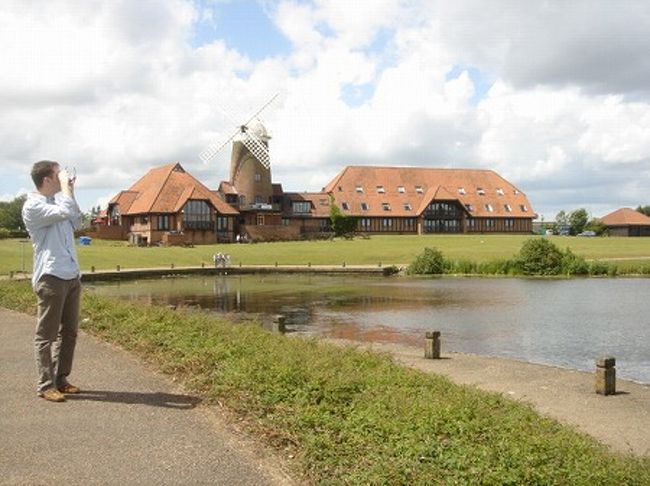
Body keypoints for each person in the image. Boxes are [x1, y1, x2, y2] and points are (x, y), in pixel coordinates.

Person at [22, 161, 82, 402]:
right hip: (51, 277)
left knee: (70, 332)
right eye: (59, 175)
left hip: (71, 275)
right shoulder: (32, 206)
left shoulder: (59, 202)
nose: (63, 178)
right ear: (47, 179)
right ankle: (45, 385)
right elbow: (67, 212)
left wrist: (71, 192)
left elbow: (77, 221)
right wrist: (67, 191)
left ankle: (61, 379)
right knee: (46, 335)